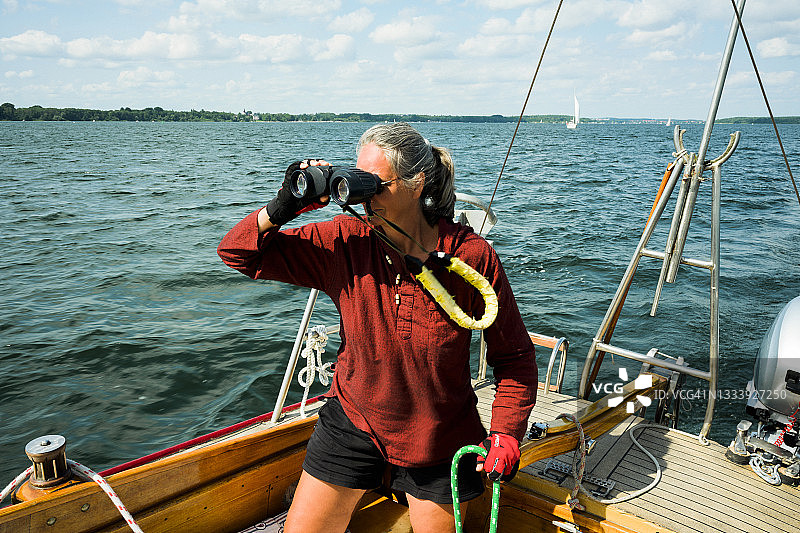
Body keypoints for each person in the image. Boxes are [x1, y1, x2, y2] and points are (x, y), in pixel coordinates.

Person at [217, 123, 537, 533]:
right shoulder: (346, 241)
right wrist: (283, 206)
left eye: (375, 185)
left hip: (437, 437)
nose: (363, 197)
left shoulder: (470, 258)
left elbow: (515, 359)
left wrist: (506, 434)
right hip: (354, 420)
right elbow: (238, 253)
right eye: (358, 181)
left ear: (417, 182)